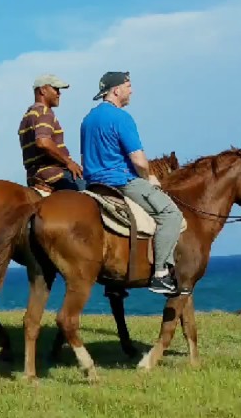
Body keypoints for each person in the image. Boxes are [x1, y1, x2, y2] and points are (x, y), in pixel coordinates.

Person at [78, 71, 185, 296]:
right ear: (116, 90)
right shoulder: (121, 118)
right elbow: (139, 160)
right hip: (121, 182)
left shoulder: (88, 119)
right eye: (128, 86)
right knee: (171, 214)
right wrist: (149, 178)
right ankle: (160, 275)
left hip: (93, 186)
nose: (131, 90)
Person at [18, 74, 84, 193]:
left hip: (34, 176)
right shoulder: (45, 112)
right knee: (92, 198)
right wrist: (68, 162)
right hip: (54, 175)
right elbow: (43, 142)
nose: (59, 94)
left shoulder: (28, 116)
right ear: (43, 90)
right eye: (55, 89)